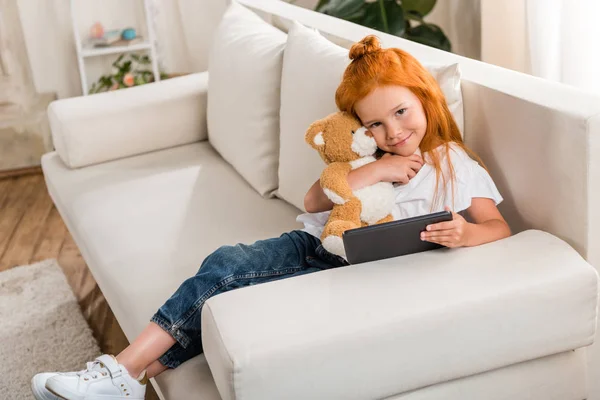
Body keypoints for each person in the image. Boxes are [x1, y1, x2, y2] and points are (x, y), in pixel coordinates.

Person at [31, 35, 511, 400]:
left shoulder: (453, 162)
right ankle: (122, 371)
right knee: (227, 267)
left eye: (401, 112)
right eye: (376, 124)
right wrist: (378, 169)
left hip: (354, 270)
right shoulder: (367, 157)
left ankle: (126, 376)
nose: (393, 131)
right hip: (315, 245)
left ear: (424, 97)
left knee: (228, 290)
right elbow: (312, 201)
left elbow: (497, 227)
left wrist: (465, 233)